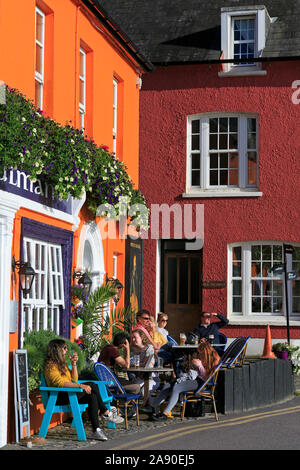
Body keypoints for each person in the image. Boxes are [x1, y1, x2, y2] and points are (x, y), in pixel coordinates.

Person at [44, 339, 123, 441]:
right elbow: (60, 383)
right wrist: (80, 386)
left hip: (68, 394)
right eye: (64, 348)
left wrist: (74, 364)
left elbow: (74, 379)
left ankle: (97, 430)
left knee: (92, 396)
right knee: (92, 385)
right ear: (57, 350)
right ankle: (106, 412)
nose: (66, 350)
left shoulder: (61, 364)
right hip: (58, 397)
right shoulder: (51, 366)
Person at [149, 341, 220, 420]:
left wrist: (199, 365)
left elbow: (208, 377)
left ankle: (165, 414)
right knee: (167, 385)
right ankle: (153, 407)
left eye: (200, 354)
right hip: (196, 379)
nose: (199, 355)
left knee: (177, 388)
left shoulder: (215, 360)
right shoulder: (205, 359)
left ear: (205, 352)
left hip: (202, 383)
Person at [130, 329, 160, 397]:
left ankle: (152, 406)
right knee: (132, 390)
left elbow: (147, 365)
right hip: (140, 378)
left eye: (135, 337)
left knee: (144, 392)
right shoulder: (133, 349)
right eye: (132, 338)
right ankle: (138, 407)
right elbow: (127, 363)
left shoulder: (149, 348)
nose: (133, 340)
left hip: (151, 378)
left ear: (142, 338)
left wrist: (132, 364)